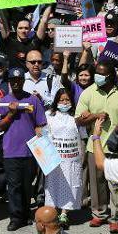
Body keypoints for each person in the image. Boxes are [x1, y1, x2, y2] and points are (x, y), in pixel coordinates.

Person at [75, 61, 118, 232]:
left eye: (101, 74)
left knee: (115, 184)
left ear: (111, 76)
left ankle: (115, 217)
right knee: (97, 183)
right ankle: (99, 214)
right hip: (95, 145)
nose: (97, 77)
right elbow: (78, 119)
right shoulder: (88, 93)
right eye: (97, 74)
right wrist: (95, 116)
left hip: (117, 146)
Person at [0, 66, 47, 231]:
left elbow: (41, 124)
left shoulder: (33, 100)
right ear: (9, 82)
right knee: (14, 186)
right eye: (13, 80)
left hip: (30, 151)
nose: (16, 83)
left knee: (26, 185)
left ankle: (25, 215)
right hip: (11, 151)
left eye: (19, 80)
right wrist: (10, 113)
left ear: (23, 81)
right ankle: (15, 217)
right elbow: (0, 125)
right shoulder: (4, 101)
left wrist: (41, 144)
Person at [43, 89, 83, 225]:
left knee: (71, 184)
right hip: (54, 158)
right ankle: (52, 212)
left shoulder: (76, 117)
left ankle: (64, 214)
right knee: (53, 184)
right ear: (56, 101)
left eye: (67, 100)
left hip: (71, 158)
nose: (64, 103)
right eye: (61, 100)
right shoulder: (49, 115)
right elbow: (44, 134)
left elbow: (82, 135)